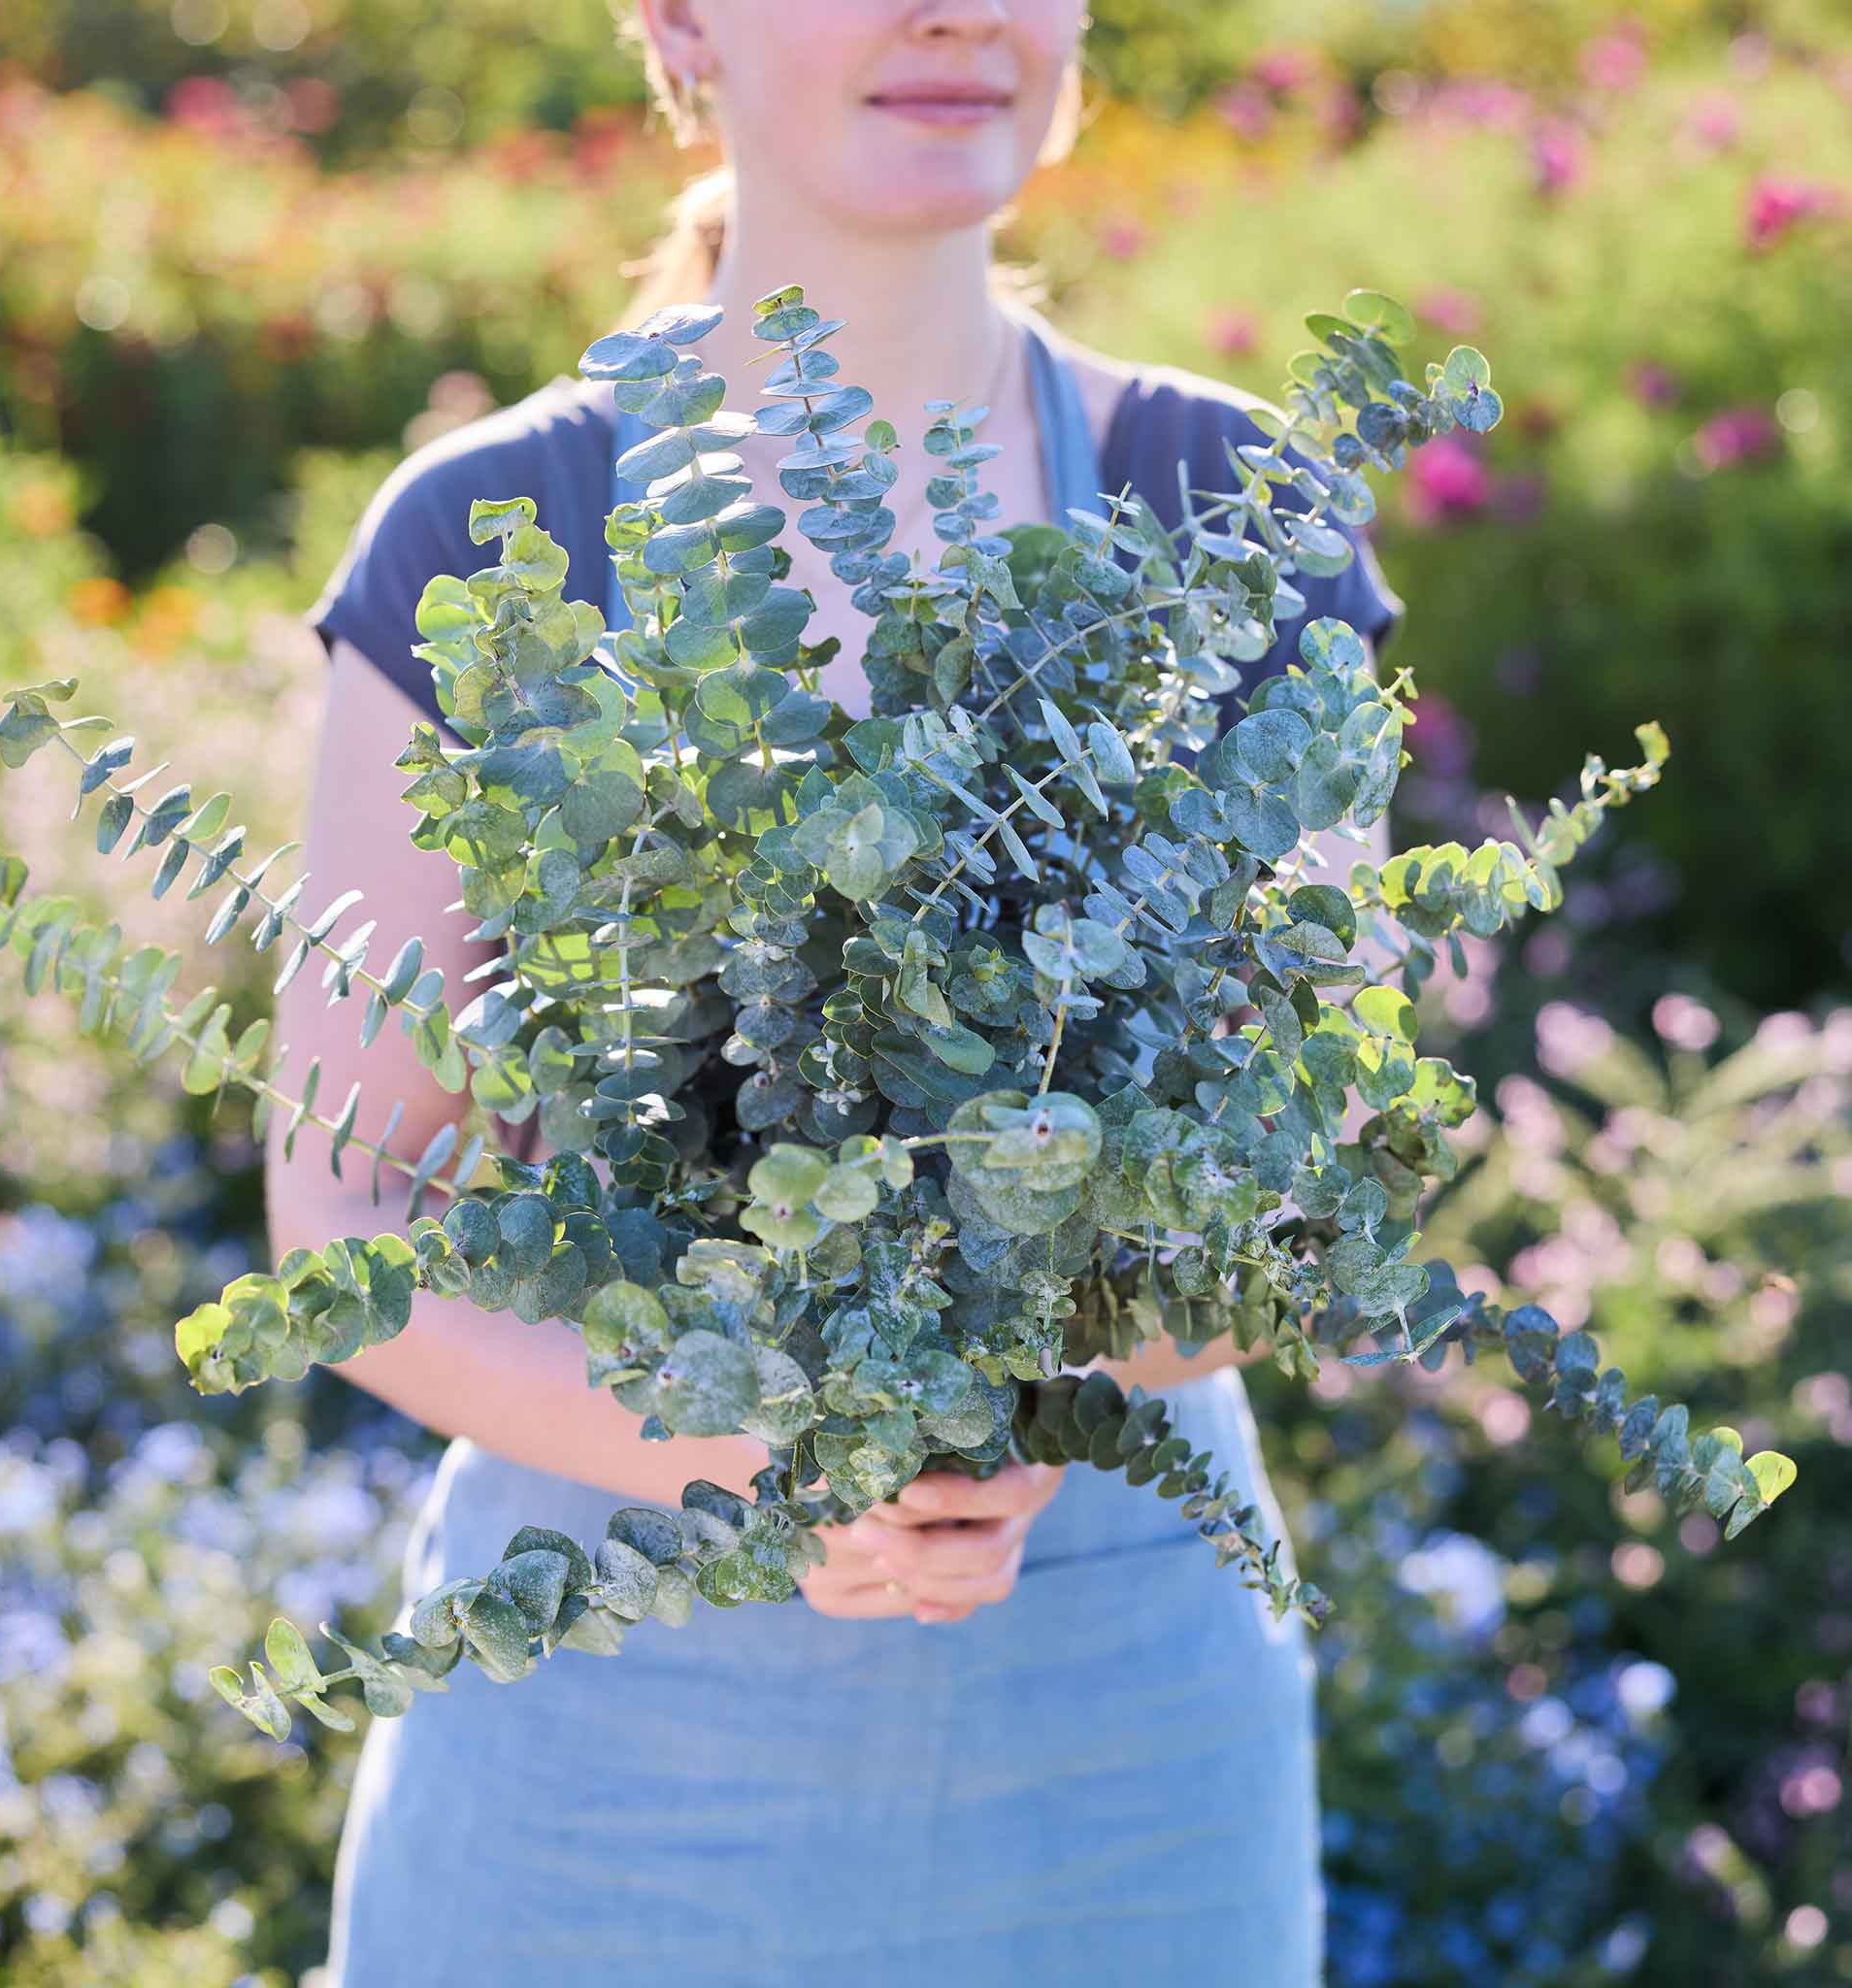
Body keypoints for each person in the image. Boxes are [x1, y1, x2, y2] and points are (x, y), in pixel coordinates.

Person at [285, 4, 1404, 1980]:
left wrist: (1014, 1419)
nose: (952, 9)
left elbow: (1310, 1165)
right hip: (601, 1731)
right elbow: (350, 1211)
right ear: (676, 22)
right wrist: (782, 1473)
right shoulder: (488, 540)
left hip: (1120, 1733)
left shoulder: (1228, 518)